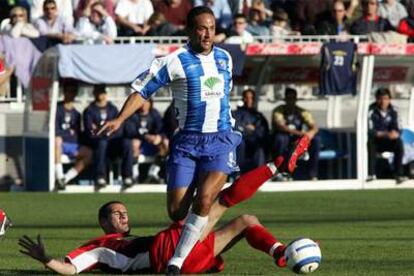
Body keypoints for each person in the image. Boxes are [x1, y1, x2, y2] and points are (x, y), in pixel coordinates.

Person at [97, 6, 252, 274]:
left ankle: (177, 261)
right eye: (202, 28)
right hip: (186, 144)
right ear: (190, 30)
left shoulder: (225, 58)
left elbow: (224, 96)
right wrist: (120, 119)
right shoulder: (174, 61)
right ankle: (201, 224)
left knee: (204, 199)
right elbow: (142, 91)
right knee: (177, 212)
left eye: (212, 28)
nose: (207, 34)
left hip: (220, 140)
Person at [18, 136, 311, 274]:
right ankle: (277, 165)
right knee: (216, 200)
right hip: (166, 252)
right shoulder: (100, 246)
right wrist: (46, 259)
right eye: (116, 214)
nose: (123, 216)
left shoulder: (126, 243)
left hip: (182, 258)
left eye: (124, 212)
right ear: (104, 223)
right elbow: (71, 269)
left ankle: (281, 252)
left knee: (246, 221)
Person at [83, 85, 134, 188]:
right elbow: (90, 131)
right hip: (98, 144)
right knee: (102, 143)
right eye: (98, 92)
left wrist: (100, 129)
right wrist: (106, 131)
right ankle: (100, 177)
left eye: (102, 92)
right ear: (94, 93)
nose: (100, 95)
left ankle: (127, 177)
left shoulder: (112, 109)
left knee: (127, 143)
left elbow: (118, 128)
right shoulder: (89, 110)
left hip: (112, 142)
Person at [271, 87, 320, 180]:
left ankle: (312, 174)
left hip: (296, 140)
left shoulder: (301, 111)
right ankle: (280, 173)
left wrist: (311, 133)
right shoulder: (279, 110)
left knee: (316, 140)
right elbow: (281, 126)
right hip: (282, 138)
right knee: (281, 139)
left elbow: (314, 125)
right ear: (285, 99)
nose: (291, 101)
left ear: (296, 99)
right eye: (288, 98)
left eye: (293, 98)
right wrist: (299, 133)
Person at [54, 79, 93, 190]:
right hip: (59, 145)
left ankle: (65, 179)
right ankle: (59, 175)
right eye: (68, 91)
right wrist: (67, 133)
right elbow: (54, 130)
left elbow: (78, 132)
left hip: (73, 144)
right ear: (64, 92)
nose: (70, 93)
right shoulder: (57, 109)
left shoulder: (76, 113)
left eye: (73, 91)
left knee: (89, 153)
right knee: (57, 140)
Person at [124, 99, 169, 183]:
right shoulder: (133, 114)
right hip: (139, 142)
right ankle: (134, 175)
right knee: (134, 143)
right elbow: (130, 131)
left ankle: (153, 172)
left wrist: (158, 136)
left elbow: (160, 128)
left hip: (151, 144)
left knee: (164, 143)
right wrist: (144, 136)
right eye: (142, 102)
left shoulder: (154, 114)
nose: (144, 104)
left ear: (150, 103)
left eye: (146, 102)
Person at [367, 88, 406, 184]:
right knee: (370, 143)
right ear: (376, 99)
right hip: (377, 141)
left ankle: (398, 174)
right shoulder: (371, 111)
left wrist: (395, 134)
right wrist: (385, 134)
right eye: (380, 99)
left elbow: (399, 127)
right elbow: (371, 131)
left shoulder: (394, 111)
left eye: (385, 99)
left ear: (389, 99)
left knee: (399, 143)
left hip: (389, 140)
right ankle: (371, 174)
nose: (383, 102)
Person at [233, 88, 269, 173]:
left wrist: (254, 130)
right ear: (243, 99)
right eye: (246, 97)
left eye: (251, 98)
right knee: (240, 143)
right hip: (242, 139)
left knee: (260, 145)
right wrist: (246, 129)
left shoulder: (258, 116)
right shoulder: (236, 113)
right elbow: (236, 127)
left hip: (254, 140)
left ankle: (259, 172)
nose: (249, 100)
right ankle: (237, 172)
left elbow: (263, 130)